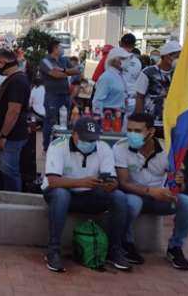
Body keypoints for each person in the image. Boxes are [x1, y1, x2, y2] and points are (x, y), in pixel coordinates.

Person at [41, 117, 131, 273]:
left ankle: (114, 249)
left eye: (92, 140)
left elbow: (114, 180)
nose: (89, 143)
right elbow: (53, 181)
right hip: (60, 194)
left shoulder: (103, 148)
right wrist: (82, 182)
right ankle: (53, 250)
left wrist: (110, 184)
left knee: (119, 197)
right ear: (74, 135)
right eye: (85, 139)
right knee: (61, 195)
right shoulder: (58, 146)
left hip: (91, 193)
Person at [114, 112, 188, 270]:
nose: (131, 134)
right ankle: (127, 244)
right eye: (129, 129)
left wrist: (177, 184)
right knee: (132, 202)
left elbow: (180, 185)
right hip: (135, 195)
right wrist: (150, 191)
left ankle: (175, 248)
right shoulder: (120, 147)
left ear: (150, 132)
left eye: (137, 131)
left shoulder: (168, 149)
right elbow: (123, 182)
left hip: (160, 198)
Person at [0, 49, 31, 191]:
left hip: (12, 136)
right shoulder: (13, 79)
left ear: (2, 63)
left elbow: (13, 111)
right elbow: (7, 102)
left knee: (10, 173)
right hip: (9, 135)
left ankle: (14, 201)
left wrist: (3, 135)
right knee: (5, 171)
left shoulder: (17, 81)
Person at [39, 40, 80, 151]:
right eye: (59, 47)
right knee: (50, 121)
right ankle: (47, 147)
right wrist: (67, 72)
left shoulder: (64, 59)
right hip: (52, 95)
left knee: (65, 121)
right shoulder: (45, 61)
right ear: (54, 48)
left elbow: (76, 71)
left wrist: (63, 70)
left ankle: (63, 146)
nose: (62, 49)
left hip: (65, 94)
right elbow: (55, 74)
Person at [134, 41, 180, 129]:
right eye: (176, 57)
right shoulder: (148, 72)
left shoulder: (178, 73)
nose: (178, 60)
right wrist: (139, 121)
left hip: (171, 123)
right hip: (151, 122)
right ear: (167, 56)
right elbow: (139, 97)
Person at [93, 47, 130, 126]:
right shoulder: (107, 77)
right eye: (122, 58)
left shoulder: (121, 75)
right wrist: (99, 121)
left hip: (119, 115)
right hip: (108, 117)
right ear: (113, 60)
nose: (126, 61)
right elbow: (97, 101)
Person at [119, 34, 143, 114]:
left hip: (116, 100)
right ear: (133, 46)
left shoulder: (114, 59)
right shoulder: (137, 62)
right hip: (131, 101)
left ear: (120, 44)